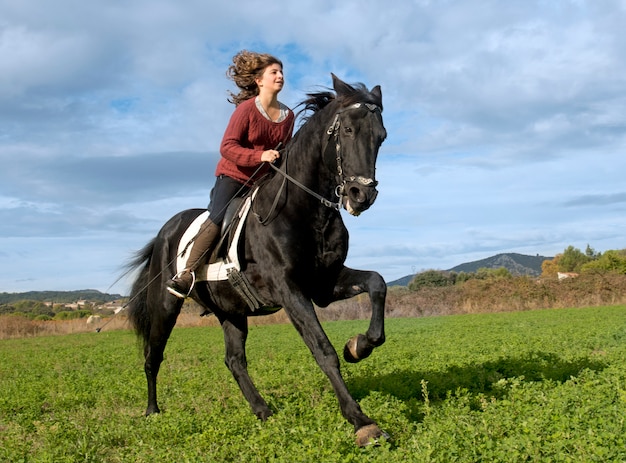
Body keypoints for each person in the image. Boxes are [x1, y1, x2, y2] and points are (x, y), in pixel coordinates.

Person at [167, 50, 295, 298]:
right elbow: (227, 147)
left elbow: (285, 151)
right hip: (234, 178)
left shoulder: (288, 116)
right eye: (274, 72)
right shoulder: (246, 110)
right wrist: (259, 156)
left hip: (265, 183)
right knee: (216, 217)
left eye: (281, 72)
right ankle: (186, 273)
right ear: (259, 80)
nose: (280, 76)